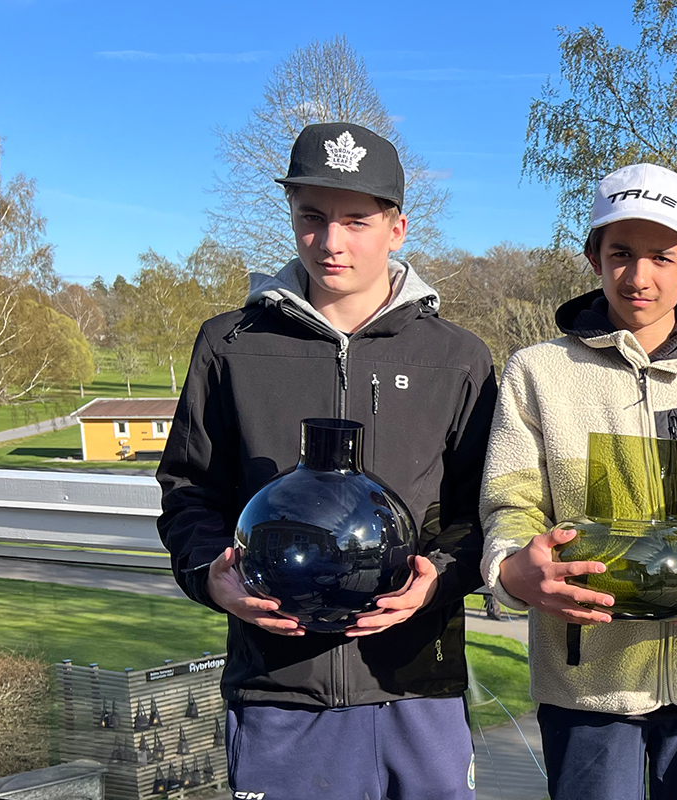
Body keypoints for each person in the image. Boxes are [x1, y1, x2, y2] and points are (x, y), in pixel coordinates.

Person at [156, 122, 498, 799]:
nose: (331, 241)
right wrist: (209, 577)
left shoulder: (458, 358)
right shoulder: (230, 344)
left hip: (416, 691)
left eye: (356, 219)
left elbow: (482, 509)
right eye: (311, 216)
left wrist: (437, 581)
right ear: (292, 216)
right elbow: (189, 490)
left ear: (397, 227)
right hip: (277, 693)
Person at [479, 163, 677, 800]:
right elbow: (512, 503)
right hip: (587, 686)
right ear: (593, 257)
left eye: (662, 257)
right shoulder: (538, 373)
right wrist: (511, 568)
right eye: (620, 254)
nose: (639, 276)